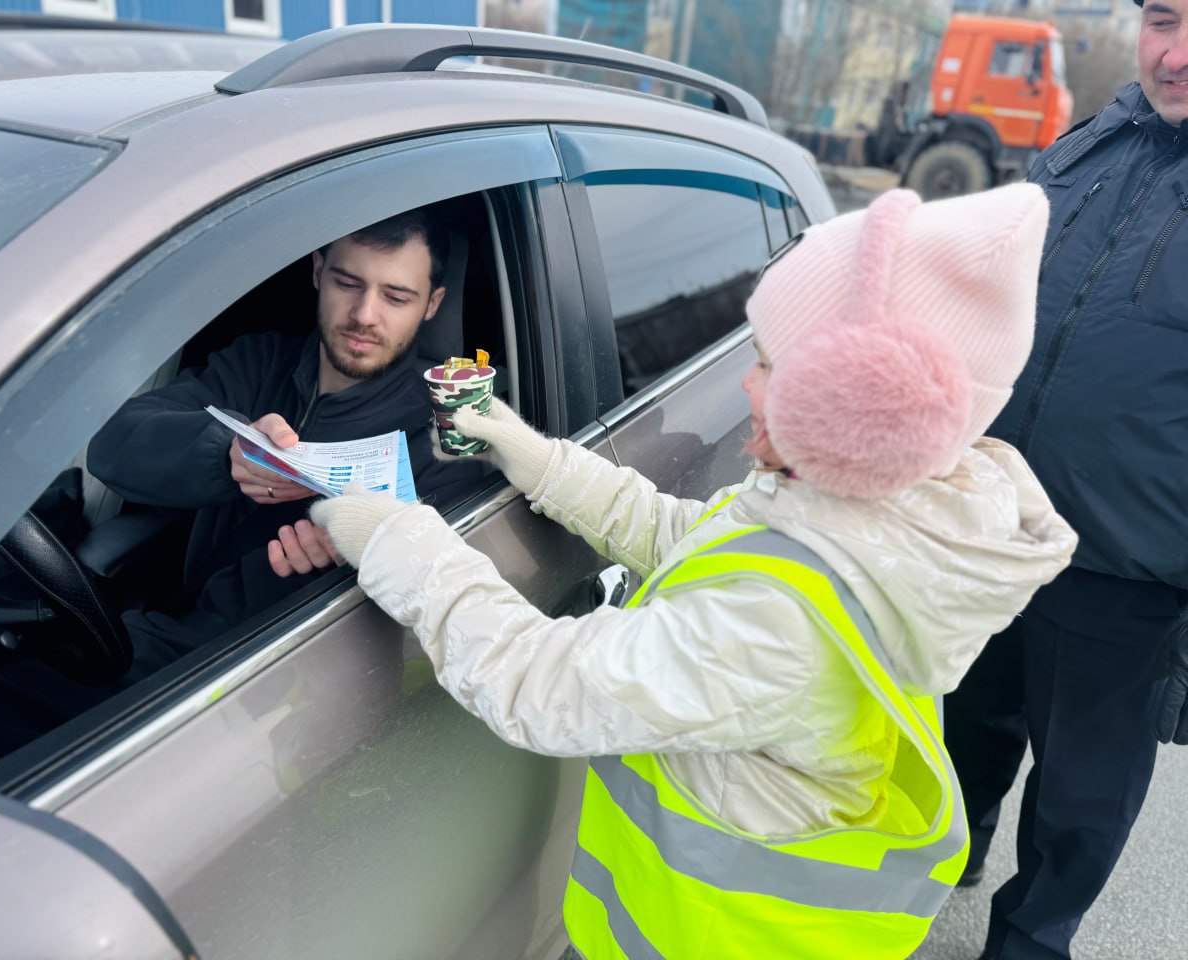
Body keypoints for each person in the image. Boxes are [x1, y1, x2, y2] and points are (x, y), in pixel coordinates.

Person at [296, 185, 1077, 959]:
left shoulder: (782, 628)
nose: (746, 382)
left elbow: (539, 684)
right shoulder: (864, 518)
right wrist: (531, 455)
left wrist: (398, 536)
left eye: (771, 366)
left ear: (856, 406)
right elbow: (690, 539)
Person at [940, 3, 1188, 957]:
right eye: (1161, 20)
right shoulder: (1089, 144)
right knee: (968, 717)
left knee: (1084, 789)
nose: (1173, 55)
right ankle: (951, 853)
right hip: (995, 518)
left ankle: (1032, 940)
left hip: (1129, 561)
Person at [88, 207, 481, 673]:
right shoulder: (259, 361)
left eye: (396, 297)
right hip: (154, 629)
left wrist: (347, 563)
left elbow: (437, 601)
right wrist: (224, 452)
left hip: (268, 671)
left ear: (432, 305)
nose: (364, 315)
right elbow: (113, 442)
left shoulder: (446, 428)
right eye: (348, 283)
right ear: (317, 270)